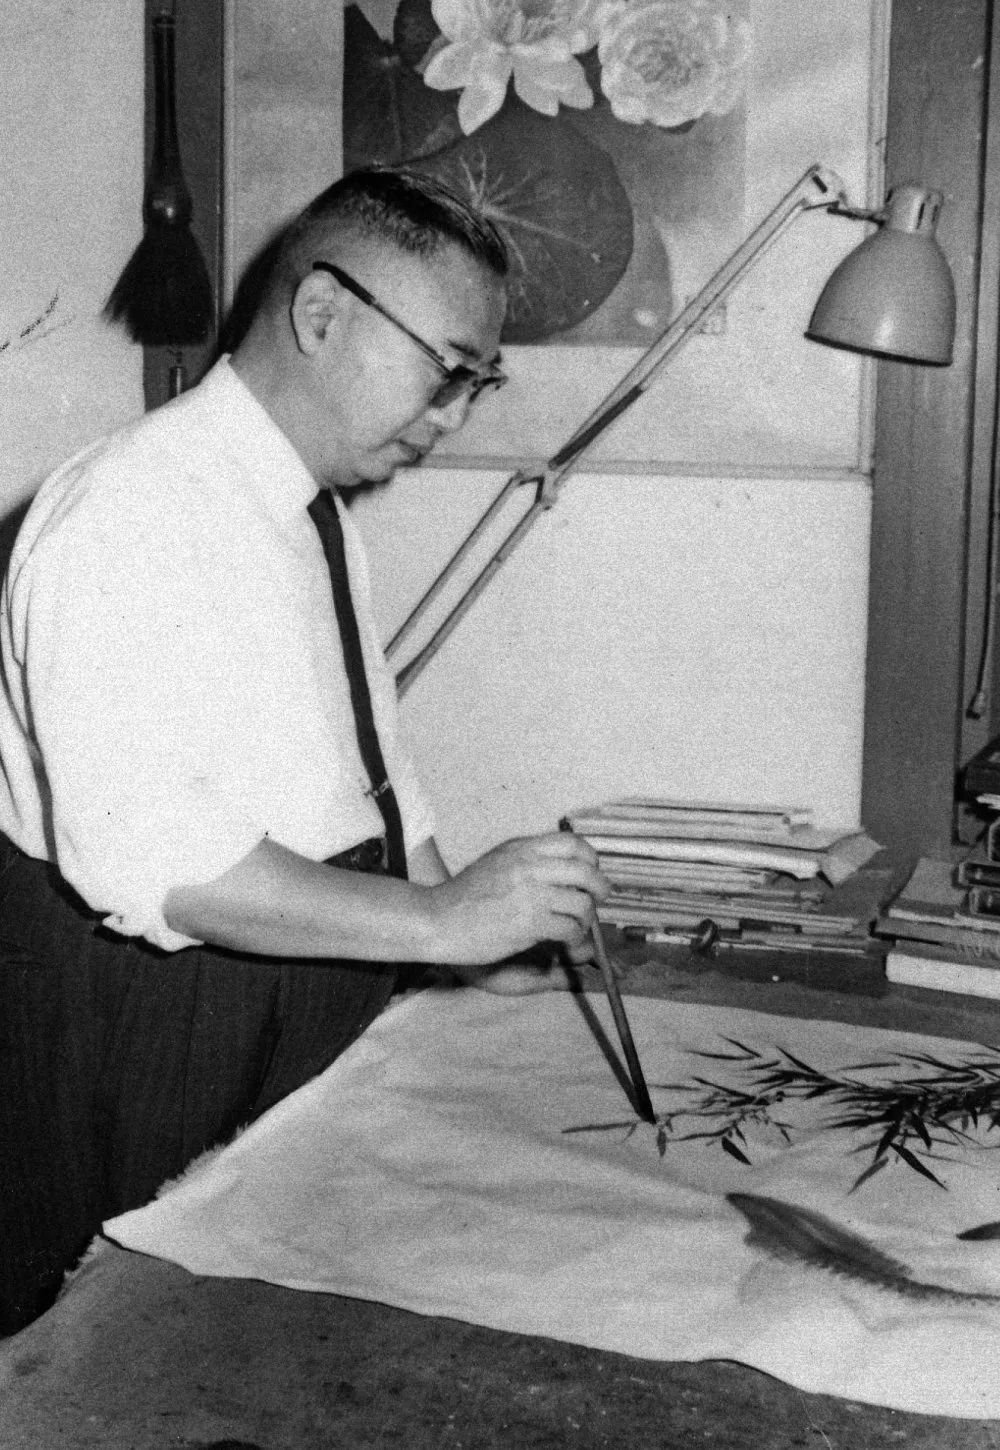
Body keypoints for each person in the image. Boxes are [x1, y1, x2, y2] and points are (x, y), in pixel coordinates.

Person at [0, 167, 608, 1335]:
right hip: (154, 1019)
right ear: (322, 313)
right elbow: (158, 868)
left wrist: (473, 937)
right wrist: (437, 923)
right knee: (142, 1354)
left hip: (306, 982)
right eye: (445, 372)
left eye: (476, 383)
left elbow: (369, 767)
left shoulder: (310, 507)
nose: (451, 418)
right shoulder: (126, 508)